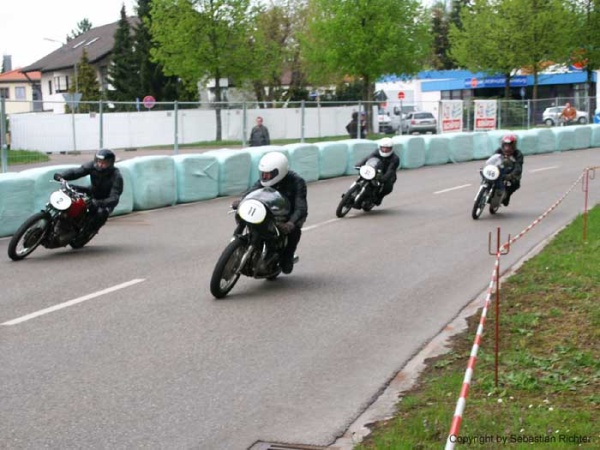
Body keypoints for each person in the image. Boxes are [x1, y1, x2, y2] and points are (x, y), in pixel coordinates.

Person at [232, 152, 307, 274]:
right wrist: (241, 201)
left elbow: (301, 207)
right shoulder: (263, 181)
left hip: (288, 215)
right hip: (269, 209)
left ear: (280, 171)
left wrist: (290, 223)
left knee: (295, 232)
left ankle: (288, 256)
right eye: (263, 174)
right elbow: (252, 191)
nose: (264, 177)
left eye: (268, 174)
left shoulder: (297, 182)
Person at [53, 149, 124, 232]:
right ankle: (62, 219)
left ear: (110, 163)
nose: (100, 164)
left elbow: (114, 198)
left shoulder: (116, 176)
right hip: (92, 191)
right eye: (99, 161)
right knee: (71, 189)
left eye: (104, 163)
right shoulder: (92, 166)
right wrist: (62, 176)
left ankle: (87, 231)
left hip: (105, 201)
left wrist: (98, 203)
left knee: (101, 213)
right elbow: (77, 172)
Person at [355, 137, 400, 205]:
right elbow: (368, 158)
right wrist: (360, 164)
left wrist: (384, 178)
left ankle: (379, 197)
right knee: (362, 175)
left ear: (391, 148)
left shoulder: (395, 158)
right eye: (383, 148)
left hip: (386, 174)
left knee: (388, 187)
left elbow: (391, 169)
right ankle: (355, 189)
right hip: (374, 170)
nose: (385, 150)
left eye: (387, 148)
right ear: (380, 147)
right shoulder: (376, 152)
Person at [491, 134, 524, 206]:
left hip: (511, 173)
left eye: (509, 146)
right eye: (506, 145)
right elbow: (492, 160)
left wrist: (511, 175)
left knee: (515, 184)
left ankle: (507, 195)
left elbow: (518, 167)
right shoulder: (499, 151)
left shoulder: (518, 154)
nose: (507, 148)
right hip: (498, 171)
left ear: (514, 146)